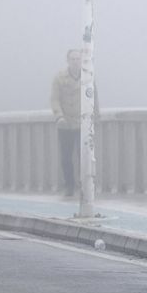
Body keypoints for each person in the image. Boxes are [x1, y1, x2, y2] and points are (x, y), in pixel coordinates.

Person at [49, 49, 98, 197]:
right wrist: (59, 116)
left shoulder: (87, 76)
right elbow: (54, 99)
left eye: (78, 59)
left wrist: (96, 115)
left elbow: (93, 95)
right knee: (66, 156)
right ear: (68, 60)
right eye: (73, 59)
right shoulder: (59, 78)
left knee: (83, 156)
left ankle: (83, 185)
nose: (75, 62)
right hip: (65, 123)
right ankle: (69, 185)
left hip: (82, 123)